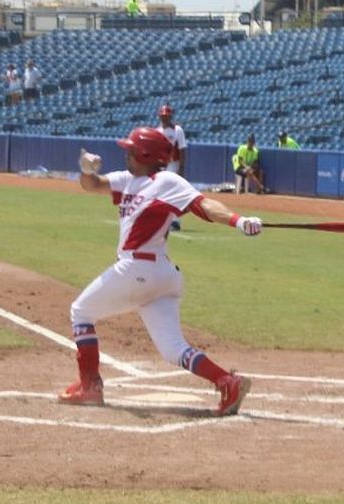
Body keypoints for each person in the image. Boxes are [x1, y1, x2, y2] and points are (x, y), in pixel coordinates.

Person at [59, 127, 259, 414]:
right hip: (160, 276)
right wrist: (86, 170)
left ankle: (90, 386)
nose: (126, 154)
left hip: (138, 268)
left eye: (131, 150)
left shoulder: (165, 181)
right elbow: (93, 185)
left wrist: (237, 220)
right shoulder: (127, 180)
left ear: (146, 155)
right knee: (172, 349)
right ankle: (227, 382)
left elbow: (203, 204)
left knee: (81, 311)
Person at [156, 104, 187, 231]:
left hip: (173, 164)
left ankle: (174, 221)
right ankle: (165, 219)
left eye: (167, 116)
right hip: (161, 166)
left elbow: (182, 149)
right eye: (163, 116)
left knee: (171, 192)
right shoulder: (157, 131)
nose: (165, 118)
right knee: (161, 193)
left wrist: (181, 168)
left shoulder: (177, 130)